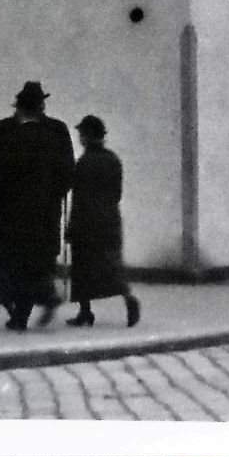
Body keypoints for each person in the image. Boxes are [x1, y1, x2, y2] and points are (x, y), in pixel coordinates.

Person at [0, 80, 74, 331]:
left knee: (13, 262)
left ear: (19, 107)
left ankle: (22, 314)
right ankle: (38, 302)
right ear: (42, 106)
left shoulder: (5, 131)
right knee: (38, 261)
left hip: (12, 212)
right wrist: (52, 196)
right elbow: (67, 172)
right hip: (45, 213)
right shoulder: (58, 130)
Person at [65, 113, 141, 328]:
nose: (80, 137)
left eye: (81, 134)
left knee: (81, 268)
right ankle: (127, 297)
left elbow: (78, 199)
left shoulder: (83, 163)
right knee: (112, 265)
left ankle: (85, 312)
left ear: (87, 136)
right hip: (109, 221)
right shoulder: (113, 159)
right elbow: (117, 194)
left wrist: (71, 228)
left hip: (86, 223)